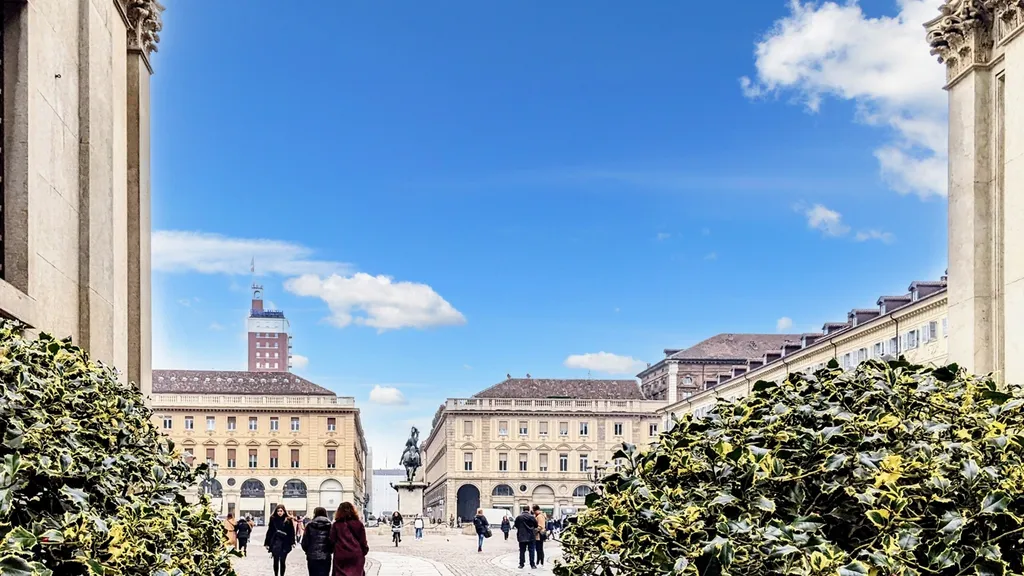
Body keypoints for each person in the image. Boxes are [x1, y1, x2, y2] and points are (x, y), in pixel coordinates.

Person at [329, 502, 369, 576]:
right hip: (356, 554)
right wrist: (363, 552)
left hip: (340, 554)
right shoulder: (359, 524)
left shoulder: (336, 525)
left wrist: (332, 550)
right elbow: (363, 541)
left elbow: (332, 540)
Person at [265, 505, 296, 576]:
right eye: (278, 511)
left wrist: (292, 542)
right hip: (276, 542)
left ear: (284, 511)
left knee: (282, 561)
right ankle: (276, 574)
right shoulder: (273, 519)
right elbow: (270, 531)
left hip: (285, 542)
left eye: (281, 511)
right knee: (275, 561)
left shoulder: (288, 520)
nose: (279, 512)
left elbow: (291, 532)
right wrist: (267, 543)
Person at [301, 507, 332, 576]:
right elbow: (332, 541)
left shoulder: (309, 525)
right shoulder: (330, 525)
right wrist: (330, 551)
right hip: (325, 556)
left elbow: (305, 542)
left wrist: (308, 551)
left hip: (312, 556)